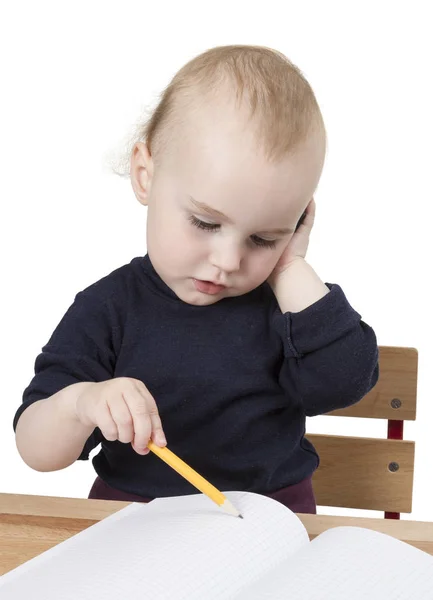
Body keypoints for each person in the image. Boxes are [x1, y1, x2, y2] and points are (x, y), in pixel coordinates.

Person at [13, 45, 379, 514]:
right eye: (206, 223)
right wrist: (82, 402)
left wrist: (289, 269)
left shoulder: (286, 310)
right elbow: (35, 450)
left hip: (270, 518)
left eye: (264, 238)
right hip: (134, 521)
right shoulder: (108, 308)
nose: (228, 261)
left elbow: (344, 381)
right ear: (145, 176)